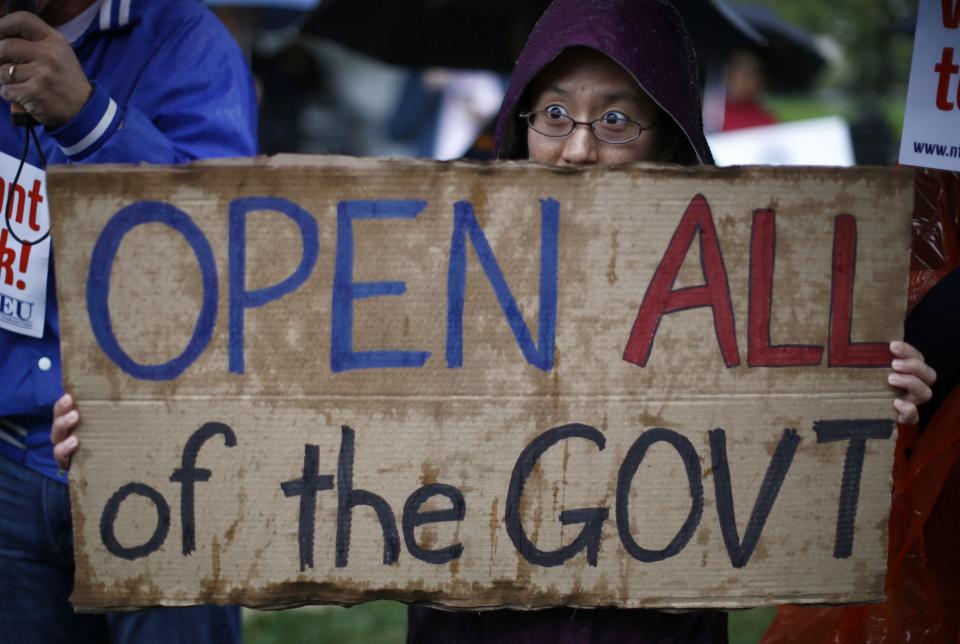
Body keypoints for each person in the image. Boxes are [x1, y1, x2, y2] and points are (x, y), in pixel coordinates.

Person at [50, 0, 935, 642]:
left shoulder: (743, 281)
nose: (578, 145)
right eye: (554, 115)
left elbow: (784, 460)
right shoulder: (423, 254)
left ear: (670, 136)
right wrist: (137, 431)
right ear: (520, 122)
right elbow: (288, 383)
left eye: (616, 119)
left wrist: (865, 398)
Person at [0, 1, 257, 642]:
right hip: (7, 460)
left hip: (162, 462)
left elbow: (226, 249)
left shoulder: (188, 41)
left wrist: (88, 118)